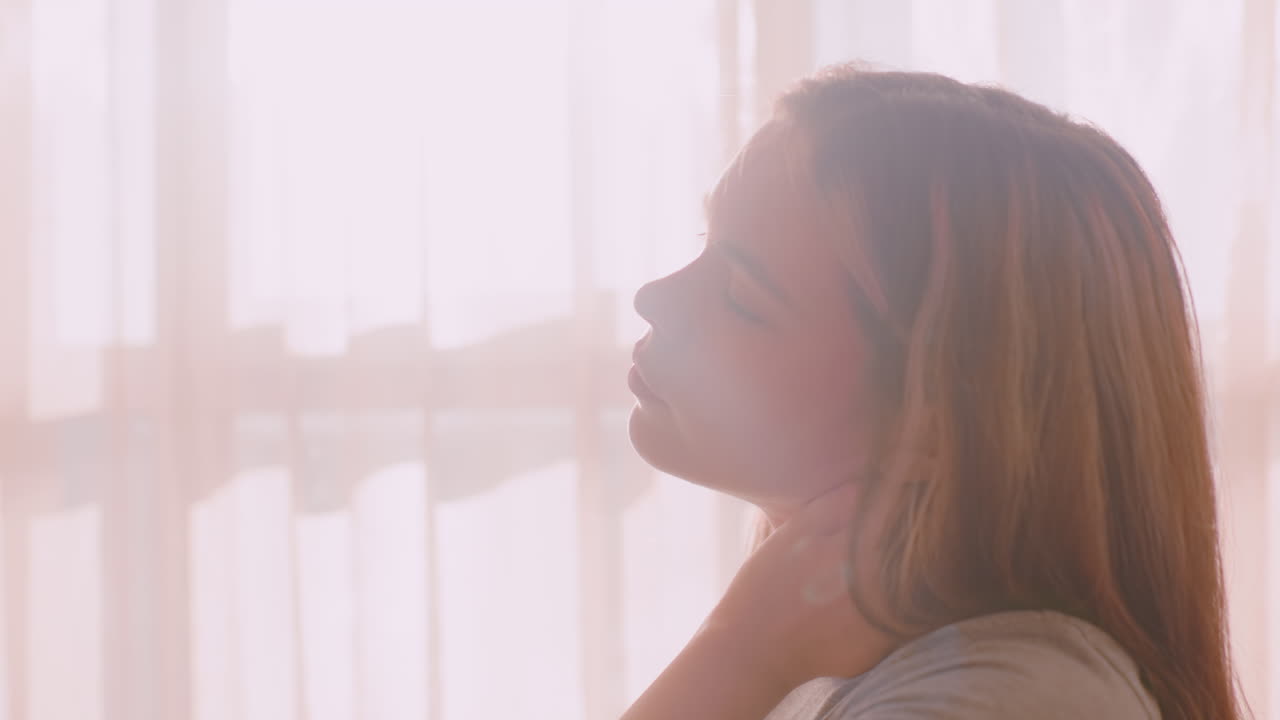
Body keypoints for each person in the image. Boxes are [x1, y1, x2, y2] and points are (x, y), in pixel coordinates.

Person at [619, 65, 1244, 720]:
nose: (655, 296)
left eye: (742, 296)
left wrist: (734, 658)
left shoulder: (1009, 701)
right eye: (705, 244)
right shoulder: (830, 654)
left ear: (932, 421)